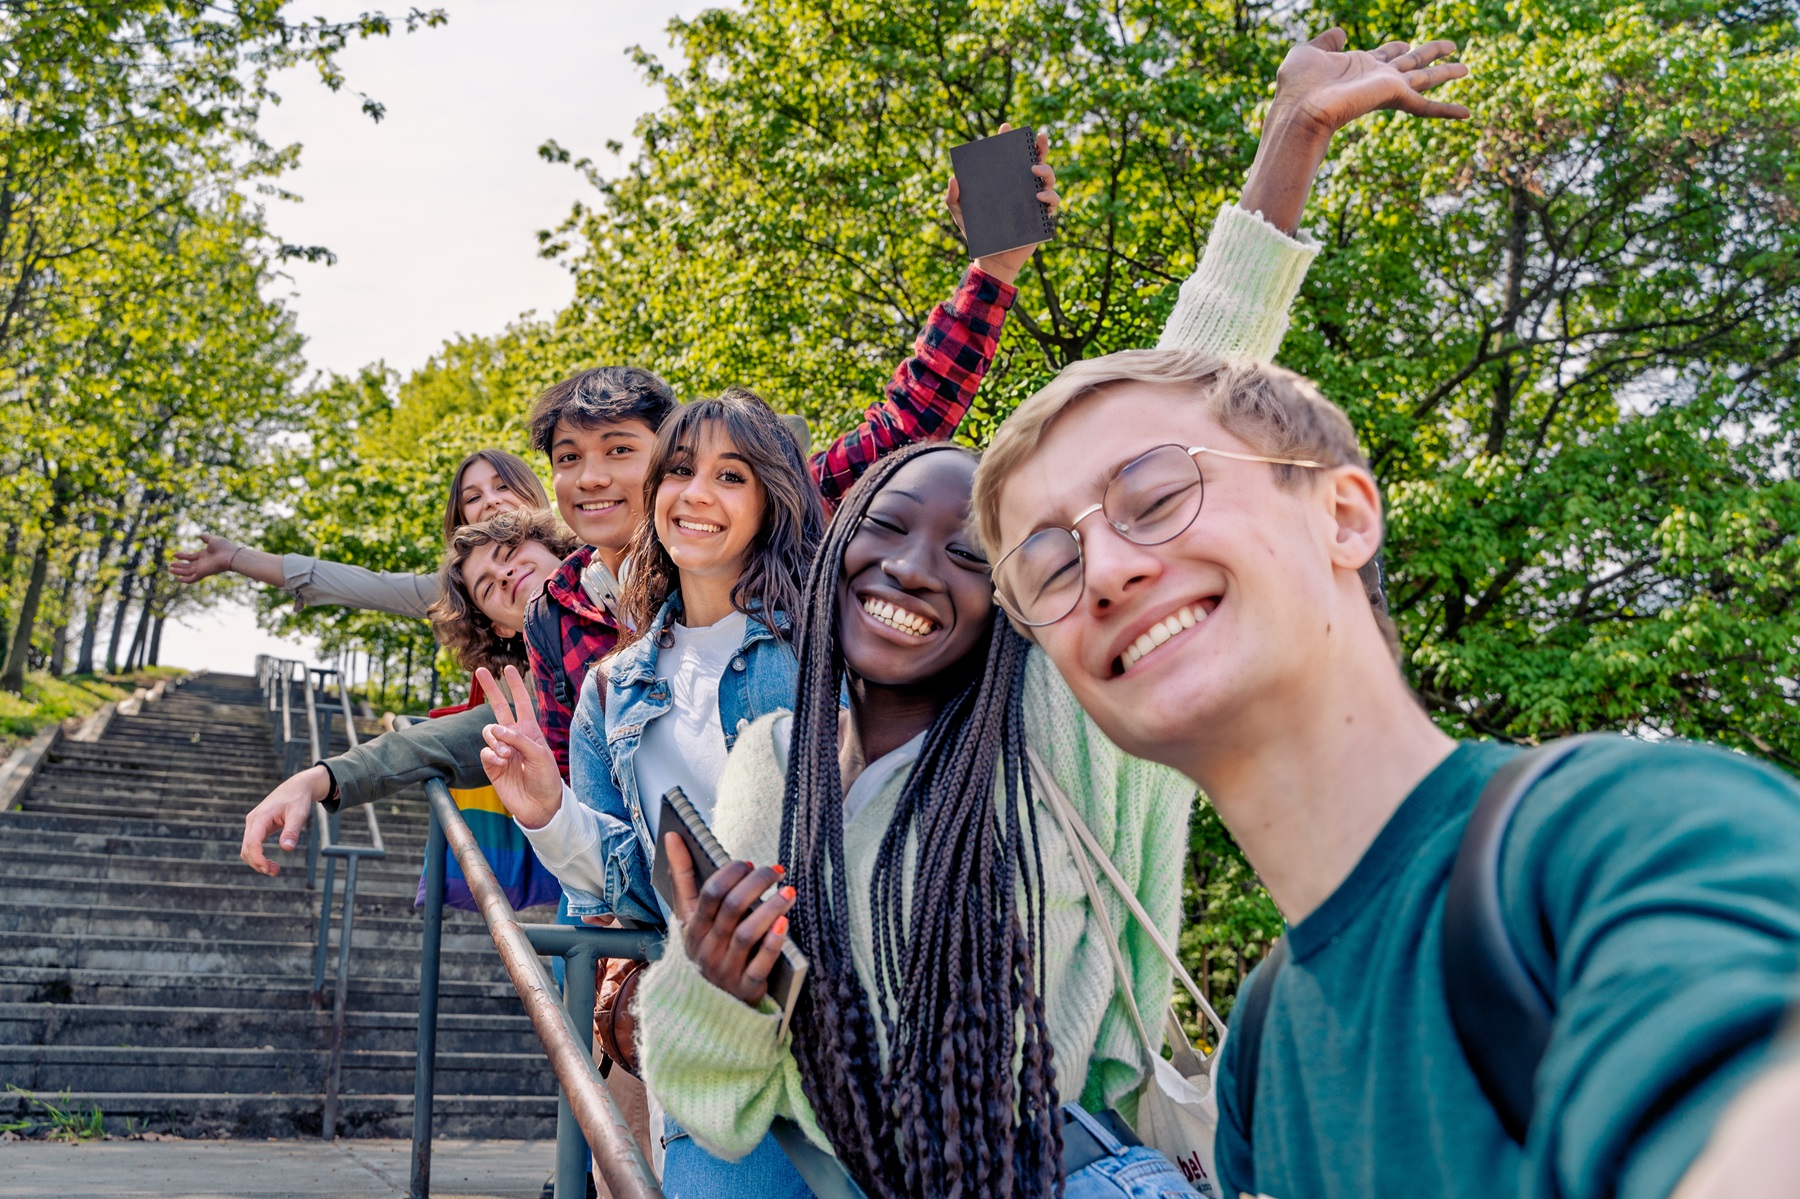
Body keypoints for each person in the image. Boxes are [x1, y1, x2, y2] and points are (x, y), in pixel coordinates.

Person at [970, 353, 1800, 1199]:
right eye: (1052, 569)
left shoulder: (1629, 834)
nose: (1105, 572)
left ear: (1342, 515)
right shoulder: (1261, 1052)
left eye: (1155, 498)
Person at [628, 441, 1198, 1199]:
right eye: (887, 525)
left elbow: (1171, 442)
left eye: (967, 554)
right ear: (838, 543)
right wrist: (716, 987)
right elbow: (717, 1109)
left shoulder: (1054, 733)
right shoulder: (771, 765)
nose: (913, 566)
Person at [478, 390, 827, 1196]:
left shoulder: (827, 645)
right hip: (714, 1045)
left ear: (773, 500)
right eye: (679, 470)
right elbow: (632, 886)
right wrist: (547, 810)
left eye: (731, 476)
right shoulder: (611, 689)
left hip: (849, 1030)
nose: (697, 494)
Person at [171, 448, 547, 617]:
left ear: (530, 489)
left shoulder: (588, 551)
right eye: (473, 497)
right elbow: (348, 581)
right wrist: (234, 557)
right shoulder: (455, 590)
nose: (492, 502)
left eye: (502, 487)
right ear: (461, 519)